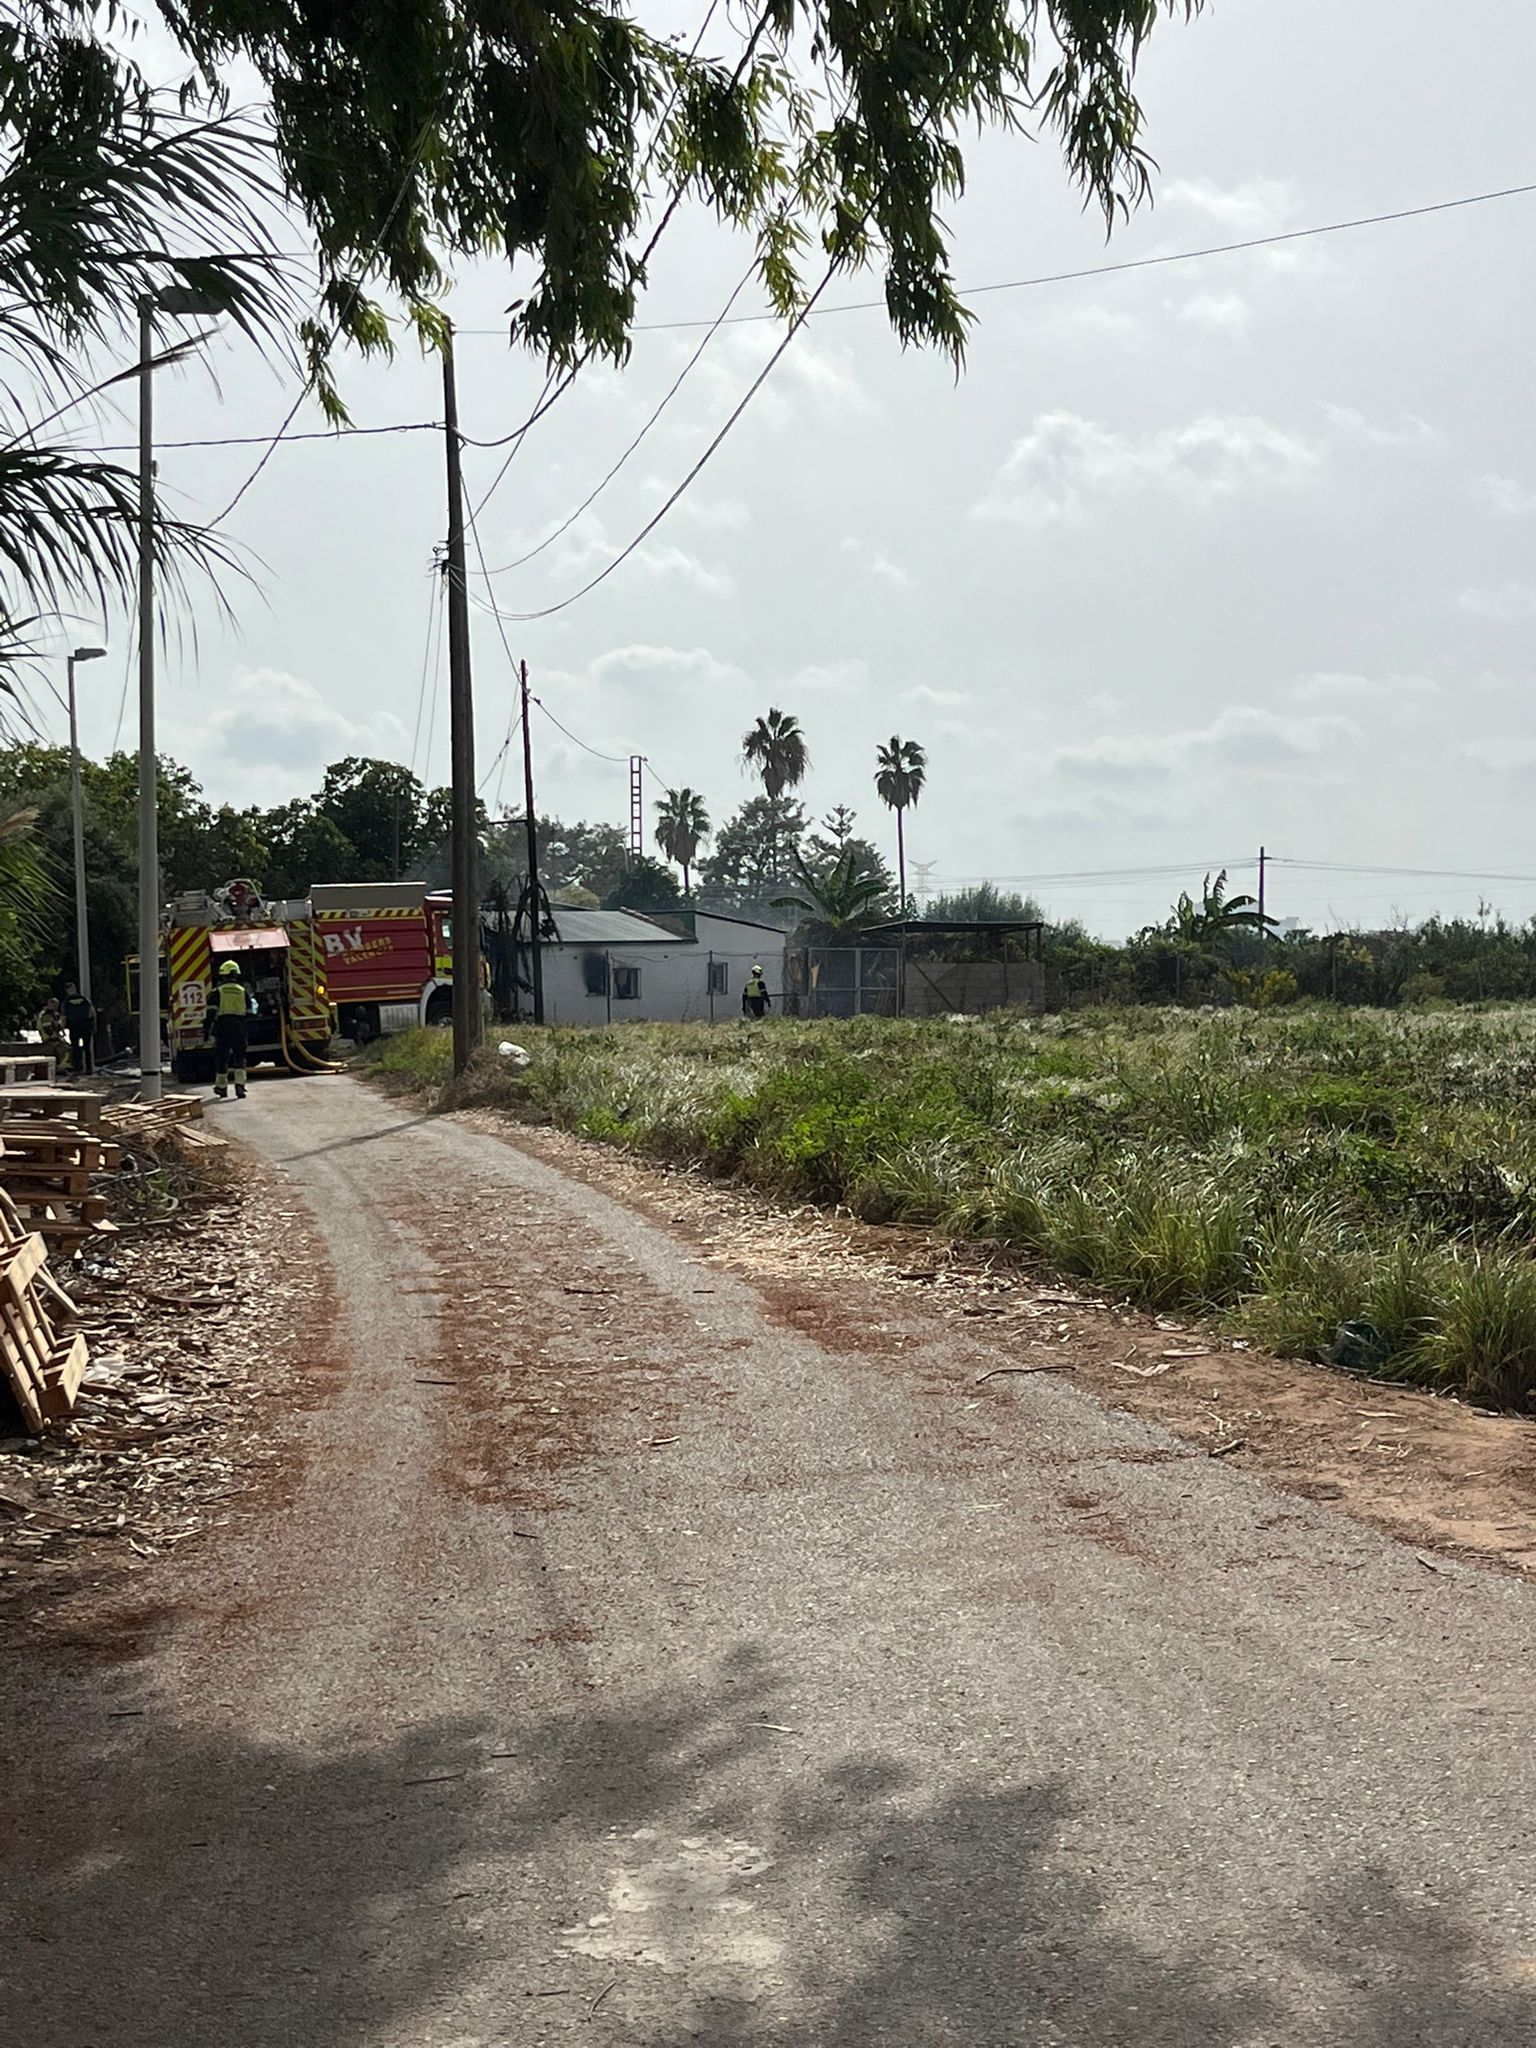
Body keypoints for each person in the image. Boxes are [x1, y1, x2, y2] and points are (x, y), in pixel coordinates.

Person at [212, 958, 249, 1100]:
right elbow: (251, 1010)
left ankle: (221, 1088)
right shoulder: (243, 991)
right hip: (240, 1029)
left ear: (223, 976)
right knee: (240, 1058)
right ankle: (240, 1086)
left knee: (222, 1059)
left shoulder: (217, 992)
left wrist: (207, 1030)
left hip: (222, 1029)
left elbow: (211, 1013)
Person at [62, 983, 95, 1075]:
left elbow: (64, 1016)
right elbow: (91, 1012)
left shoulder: (66, 1001)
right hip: (85, 1025)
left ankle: (78, 1069)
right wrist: (92, 1024)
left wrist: (62, 1029)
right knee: (87, 1048)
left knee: (75, 1047)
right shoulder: (84, 999)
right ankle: (89, 1069)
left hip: (74, 1026)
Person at [35, 995, 67, 1067]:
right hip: (48, 1038)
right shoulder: (45, 1014)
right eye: (55, 1005)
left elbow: (58, 1025)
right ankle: (60, 1066)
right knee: (63, 1049)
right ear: (50, 1004)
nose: (56, 1008)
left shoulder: (54, 1014)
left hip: (53, 1036)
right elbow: (47, 1028)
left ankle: (60, 1066)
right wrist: (55, 1036)